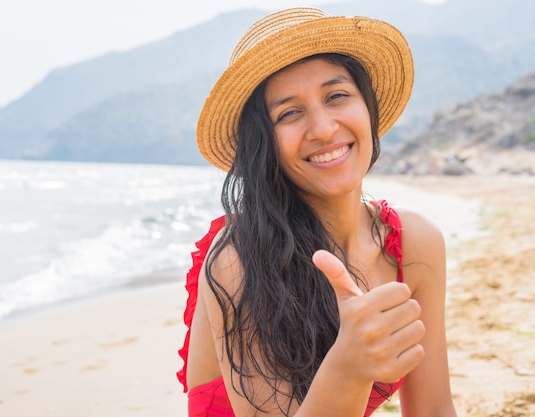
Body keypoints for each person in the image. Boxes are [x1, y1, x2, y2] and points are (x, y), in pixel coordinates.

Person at [177, 7, 457, 417]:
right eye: (289, 113)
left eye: (337, 96)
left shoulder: (416, 243)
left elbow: (433, 409)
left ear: (369, 109)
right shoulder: (237, 260)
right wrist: (348, 365)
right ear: (263, 145)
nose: (324, 129)